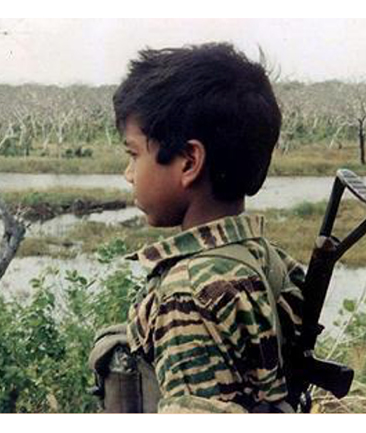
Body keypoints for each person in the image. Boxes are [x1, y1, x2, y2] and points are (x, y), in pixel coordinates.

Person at [93, 43, 305, 413]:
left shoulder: (189, 291)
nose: (128, 174)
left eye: (133, 154)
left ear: (189, 161)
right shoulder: (262, 256)